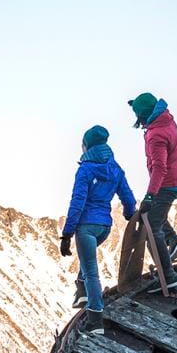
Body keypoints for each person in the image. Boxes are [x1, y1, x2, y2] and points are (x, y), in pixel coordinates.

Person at [60, 124, 138, 332]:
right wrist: (130, 213)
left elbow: (77, 202)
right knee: (87, 265)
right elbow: (128, 197)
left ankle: (95, 321)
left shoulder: (84, 170)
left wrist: (67, 234)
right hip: (105, 227)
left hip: (86, 227)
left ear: (87, 146)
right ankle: (82, 290)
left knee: (91, 272)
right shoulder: (116, 169)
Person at [129, 92, 177, 283]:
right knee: (156, 215)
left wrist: (150, 195)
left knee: (151, 229)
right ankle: (173, 241)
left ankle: (167, 277)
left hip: (167, 184)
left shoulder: (156, 134)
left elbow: (159, 168)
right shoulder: (167, 121)